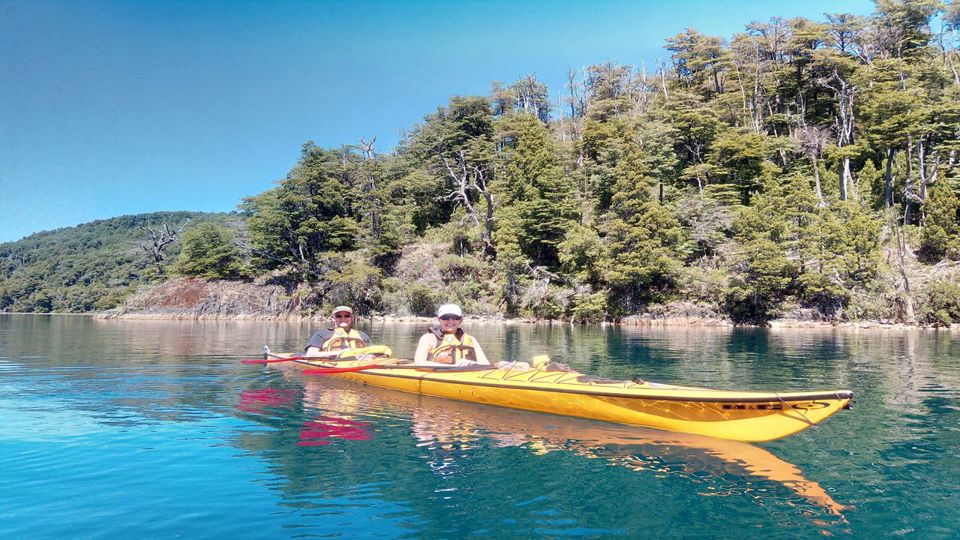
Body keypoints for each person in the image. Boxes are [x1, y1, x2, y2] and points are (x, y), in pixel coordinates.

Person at [413, 304, 490, 367]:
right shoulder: (429, 338)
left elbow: (485, 364)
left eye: (455, 317)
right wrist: (454, 367)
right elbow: (419, 362)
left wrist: (473, 364)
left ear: (460, 320)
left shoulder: (471, 339)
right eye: (445, 317)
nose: (450, 321)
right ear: (439, 319)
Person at [304, 306, 372, 356]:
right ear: (333, 318)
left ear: (352, 318)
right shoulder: (322, 334)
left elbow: (373, 353)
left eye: (347, 316)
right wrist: (340, 352)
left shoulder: (363, 336)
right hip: (332, 363)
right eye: (339, 316)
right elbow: (310, 354)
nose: (343, 318)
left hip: (359, 363)